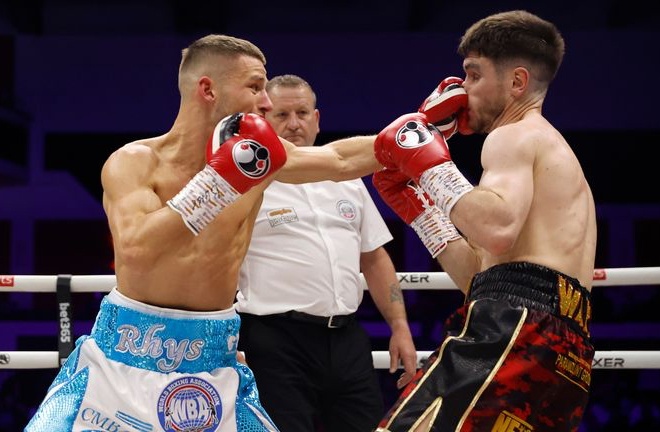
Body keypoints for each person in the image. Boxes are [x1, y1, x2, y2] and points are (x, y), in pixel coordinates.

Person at [25, 34, 380, 432]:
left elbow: (338, 159)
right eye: (255, 86)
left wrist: (415, 134)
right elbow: (138, 247)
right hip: (123, 362)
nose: (266, 101)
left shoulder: (259, 161)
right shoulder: (135, 162)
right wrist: (218, 183)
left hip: (214, 359)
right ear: (208, 89)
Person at [371, 10, 596, 432]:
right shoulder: (550, 151)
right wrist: (420, 209)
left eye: (473, 75)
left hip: (513, 330)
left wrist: (429, 164)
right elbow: (482, 276)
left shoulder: (514, 135)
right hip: (561, 349)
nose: (463, 89)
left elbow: (496, 229)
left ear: (517, 82)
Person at [235, 74, 417, 432]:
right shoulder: (247, 180)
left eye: (302, 113)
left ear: (317, 119)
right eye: (282, 115)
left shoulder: (348, 179)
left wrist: (400, 327)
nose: (293, 123)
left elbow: (375, 257)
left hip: (346, 336)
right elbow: (221, 261)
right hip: (274, 340)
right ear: (264, 120)